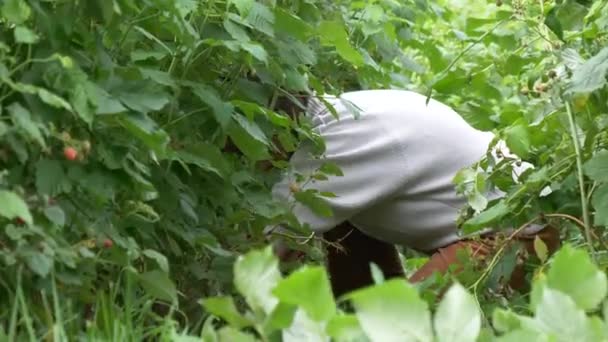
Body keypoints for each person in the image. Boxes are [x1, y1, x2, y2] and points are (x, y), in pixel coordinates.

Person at [266, 89, 560, 297]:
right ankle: (360, 316)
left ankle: (375, 325)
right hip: (494, 222)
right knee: (339, 224)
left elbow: (270, 242)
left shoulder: (336, 142)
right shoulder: (344, 111)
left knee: (404, 324)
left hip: (518, 236)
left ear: (277, 123)